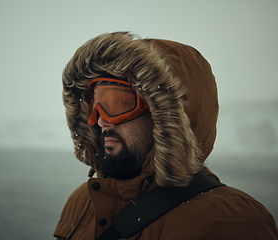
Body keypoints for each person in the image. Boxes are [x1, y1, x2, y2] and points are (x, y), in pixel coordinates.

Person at [54, 32, 278, 240]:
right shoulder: (82, 201)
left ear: (167, 117)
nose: (100, 120)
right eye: (95, 104)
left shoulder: (230, 220)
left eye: (117, 102)